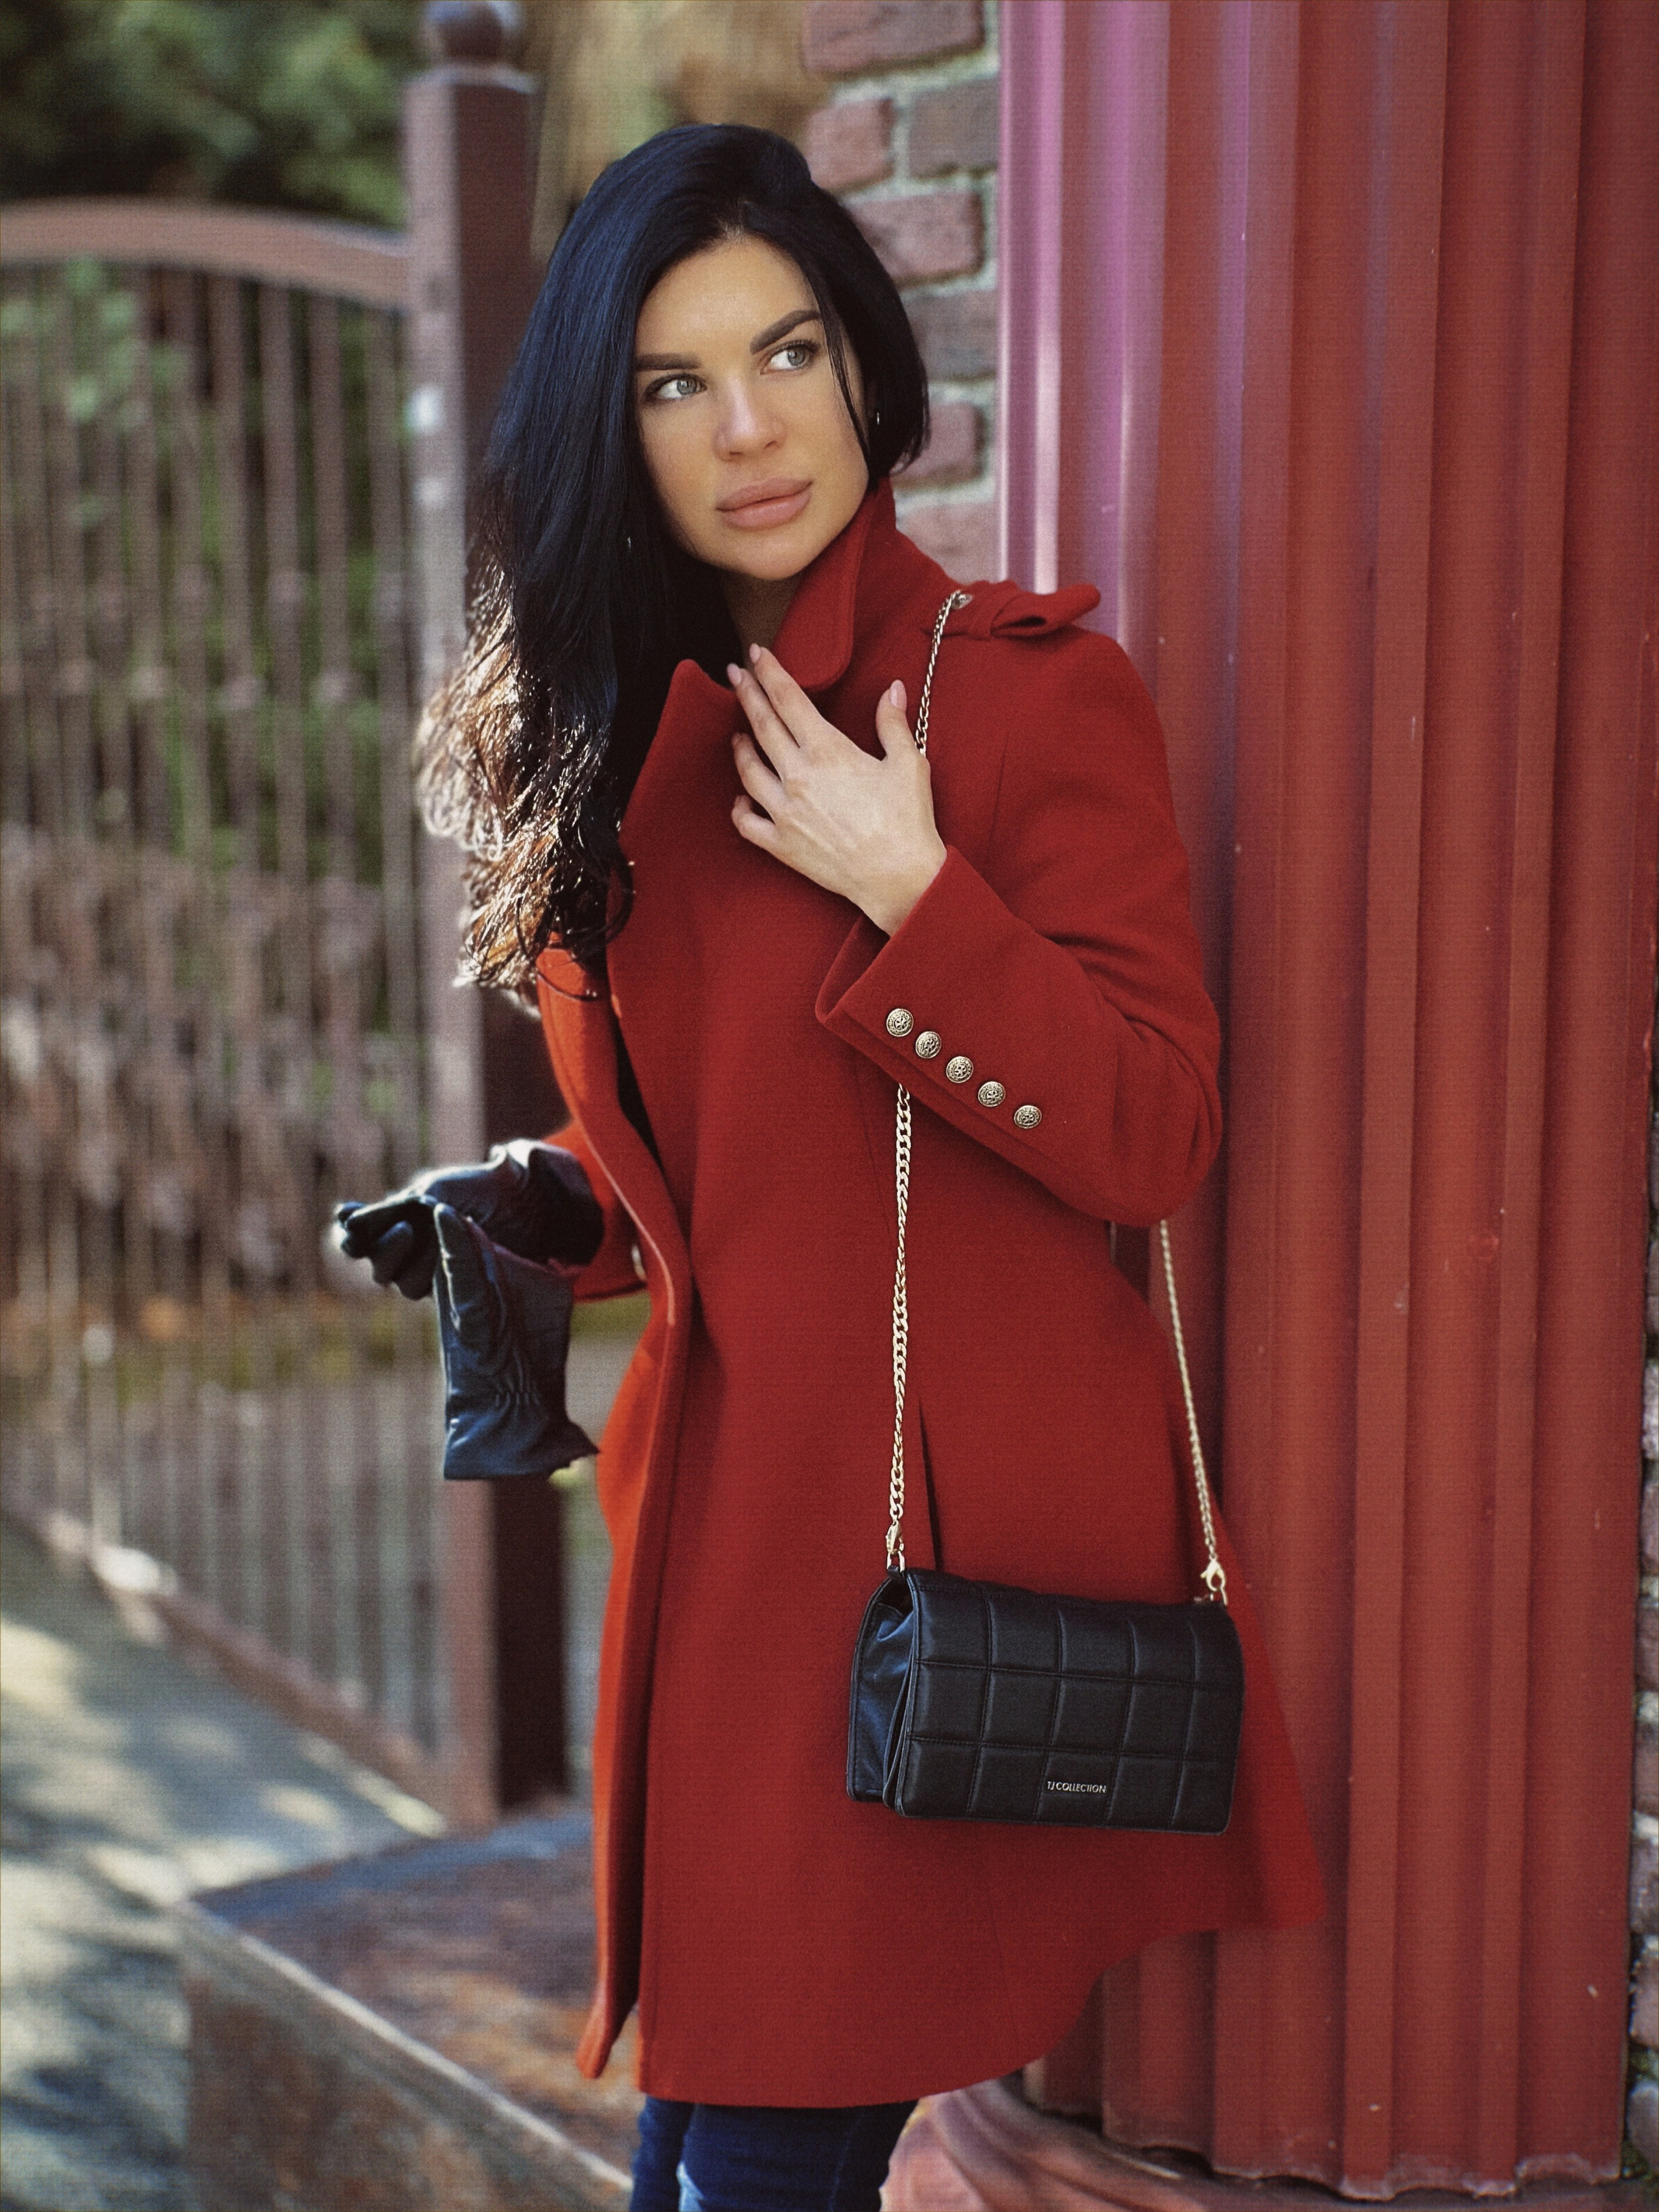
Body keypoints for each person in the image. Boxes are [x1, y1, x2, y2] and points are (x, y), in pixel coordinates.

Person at [339, 124, 1324, 2212]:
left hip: (901, 1573)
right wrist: (539, 1201)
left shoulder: (1030, 699)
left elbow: (1157, 1132)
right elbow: (733, 1182)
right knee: (703, 2145)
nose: (752, 426)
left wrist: (916, 888)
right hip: (717, 1555)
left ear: (868, 358)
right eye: (673, 384)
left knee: (745, 2165)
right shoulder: (622, 728)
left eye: (788, 349)